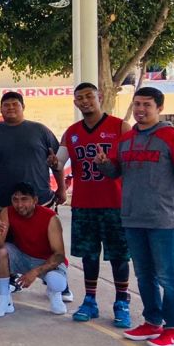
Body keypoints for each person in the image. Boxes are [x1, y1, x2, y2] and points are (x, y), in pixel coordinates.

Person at [95, 86, 174, 346]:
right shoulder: (126, 139)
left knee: (167, 276)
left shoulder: (170, 137)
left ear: (159, 108)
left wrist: (170, 199)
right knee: (144, 275)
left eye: (147, 105)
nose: (141, 109)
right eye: (137, 104)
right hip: (132, 217)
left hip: (162, 219)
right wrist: (104, 164)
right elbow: (116, 172)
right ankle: (153, 322)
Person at [58, 83, 133, 327]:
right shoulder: (71, 133)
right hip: (84, 204)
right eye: (80, 98)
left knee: (119, 256)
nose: (85, 101)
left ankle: (122, 301)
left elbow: (129, 166)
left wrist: (108, 166)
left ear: (99, 97)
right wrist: (52, 162)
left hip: (115, 203)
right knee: (89, 256)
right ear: (75, 103)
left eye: (89, 96)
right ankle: (90, 301)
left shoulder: (120, 127)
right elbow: (58, 162)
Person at [0, 91, 66, 210]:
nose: (11, 107)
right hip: (1, 202)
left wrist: (62, 188)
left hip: (40, 200)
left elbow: (57, 162)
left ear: (23, 107)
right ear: (1, 109)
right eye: (6, 105)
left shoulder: (41, 130)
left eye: (15, 104)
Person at [0, 182, 69, 318]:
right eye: (15, 200)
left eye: (24, 199)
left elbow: (59, 255)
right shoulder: (7, 212)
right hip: (24, 256)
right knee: (2, 251)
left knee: (57, 283)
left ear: (35, 200)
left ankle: (55, 294)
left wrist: (35, 272)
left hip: (46, 261)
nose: (19, 205)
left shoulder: (50, 217)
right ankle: (4, 300)